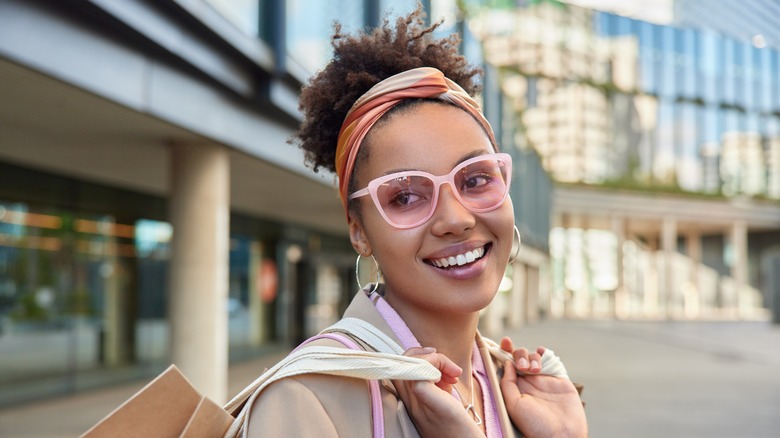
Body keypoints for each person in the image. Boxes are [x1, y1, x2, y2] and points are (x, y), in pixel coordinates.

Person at [245, 7, 586, 437]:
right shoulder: (306, 400)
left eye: (476, 178)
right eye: (405, 196)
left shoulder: (513, 385)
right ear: (359, 230)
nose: (456, 219)